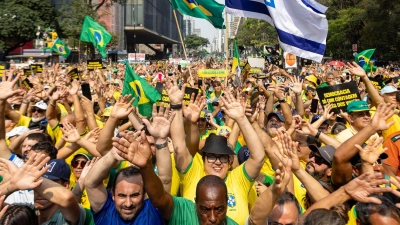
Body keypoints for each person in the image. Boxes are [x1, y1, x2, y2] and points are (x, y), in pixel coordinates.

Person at [167, 80, 265, 224]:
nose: (218, 162)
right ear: (203, 159)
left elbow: (258, 157)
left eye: (223, 157)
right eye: (212, 156)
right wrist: (176, 106)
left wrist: (241, 119)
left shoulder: (238, 179)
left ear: (230, 161)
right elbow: (179, 148)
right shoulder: (193, 174)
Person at [112, 130, 238, 225]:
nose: (212, 218)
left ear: (227, 203)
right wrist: (146, 166)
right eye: (204, 209)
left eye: (219, 209)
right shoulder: (184, 212)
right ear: (196, 204)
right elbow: (159, 198)